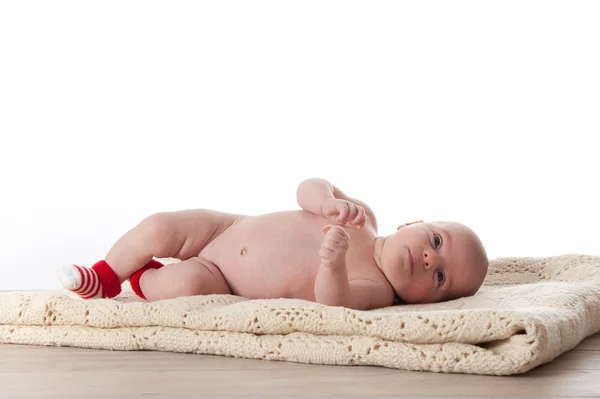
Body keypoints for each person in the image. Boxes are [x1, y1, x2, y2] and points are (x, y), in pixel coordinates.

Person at [56, 178, 488, 310]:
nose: (430, 258)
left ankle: (143, 281)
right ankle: (107, 275)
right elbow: (308, 187)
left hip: (222, 278)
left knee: (183, 285)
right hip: (224, 228)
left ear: (426, 302)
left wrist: (334, 264)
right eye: (435, 240)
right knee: (159, 226)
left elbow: (333, 301)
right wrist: (326, 202)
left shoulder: (376, 290)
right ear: (414, 221)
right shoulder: (363, 218)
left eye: (441, 276)